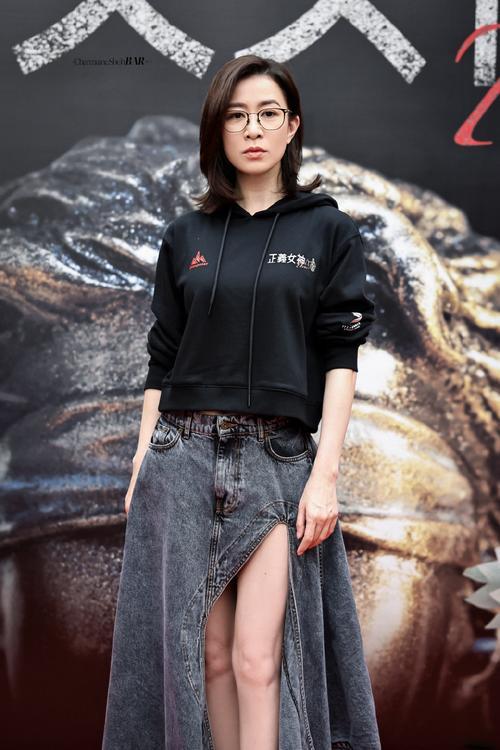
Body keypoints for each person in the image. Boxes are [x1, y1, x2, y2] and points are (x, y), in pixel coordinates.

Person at [102, 54, 381, 750]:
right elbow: (163, 357)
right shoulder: (185, 236)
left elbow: (341, 355)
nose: (251, 129)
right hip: (182, 454)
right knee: (210, 659)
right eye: (235, 116)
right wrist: (142, 460)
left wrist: (325, 476)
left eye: (266, 114)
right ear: (217, 131)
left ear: (292, 126)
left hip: (275, 461)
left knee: (259, 660)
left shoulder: (329, 231)